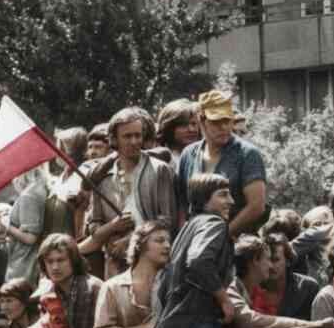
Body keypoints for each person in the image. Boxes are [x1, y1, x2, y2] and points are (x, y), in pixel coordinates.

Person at [139, 173, 244, 328]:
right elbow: (198, 262)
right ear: (204, 198)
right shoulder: (214, 224)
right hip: (199, 326)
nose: (231, 201)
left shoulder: (190, 226)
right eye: (223, 195)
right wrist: (224, 298)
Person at [88, 107, 178, 278]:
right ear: (114, 139)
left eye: (138, 135)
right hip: (115, 265)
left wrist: (132, 240)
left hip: (152, 265)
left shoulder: (159, 170)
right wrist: (112, 227)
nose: (134, 141)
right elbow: (94, 225)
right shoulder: (102, 177)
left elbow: (166, 220)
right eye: (127, 136)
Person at [177, 90, 267, 236]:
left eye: (227, 120)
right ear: (201, 120)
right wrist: (184, 235)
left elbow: (256, 206)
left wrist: (222, 236)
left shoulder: (246, 154)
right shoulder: (189, 154)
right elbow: (181, 203)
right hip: (196, 240)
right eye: (216, 121)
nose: (224, 127)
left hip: (236, 243)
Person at [156, 98, 200, 170]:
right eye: (184, 125)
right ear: (169, 128)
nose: (191, 130)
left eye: (194, 124)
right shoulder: (159, 160)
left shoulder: (202, 157)